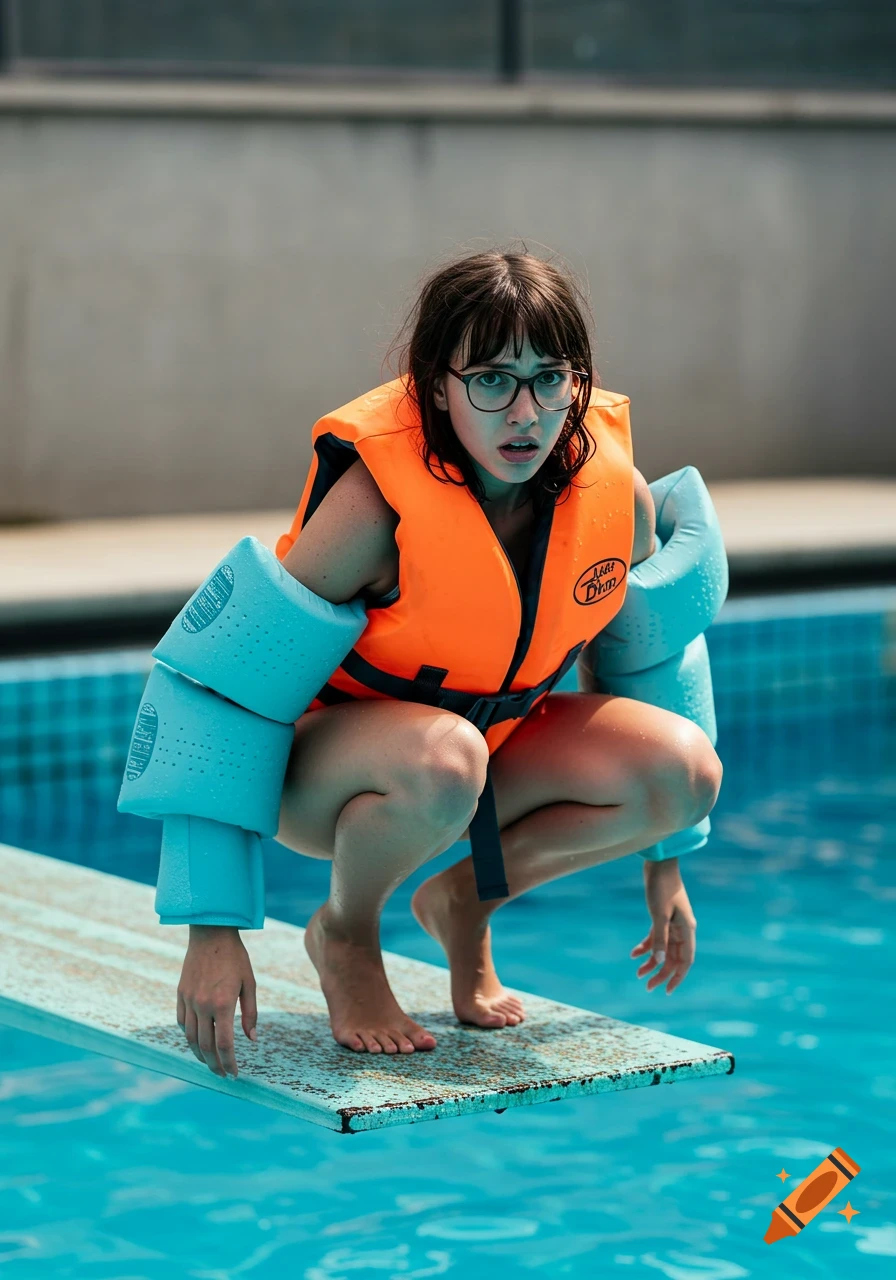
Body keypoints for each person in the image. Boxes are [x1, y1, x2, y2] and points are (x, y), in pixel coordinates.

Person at [177, 246, 723, 1079]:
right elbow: (222, 692)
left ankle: (468, 898)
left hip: (484, 754)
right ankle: (347, 933)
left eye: (550, 379)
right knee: (444, 756)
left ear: (580, 382)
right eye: (493, 380)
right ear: (438, 385)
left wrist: (667, 865)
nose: (525, 413)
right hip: (336, 775)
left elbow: (650, 665)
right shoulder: (371, 512)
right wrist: (213, 929)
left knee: (685, 770)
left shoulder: (619, 499)